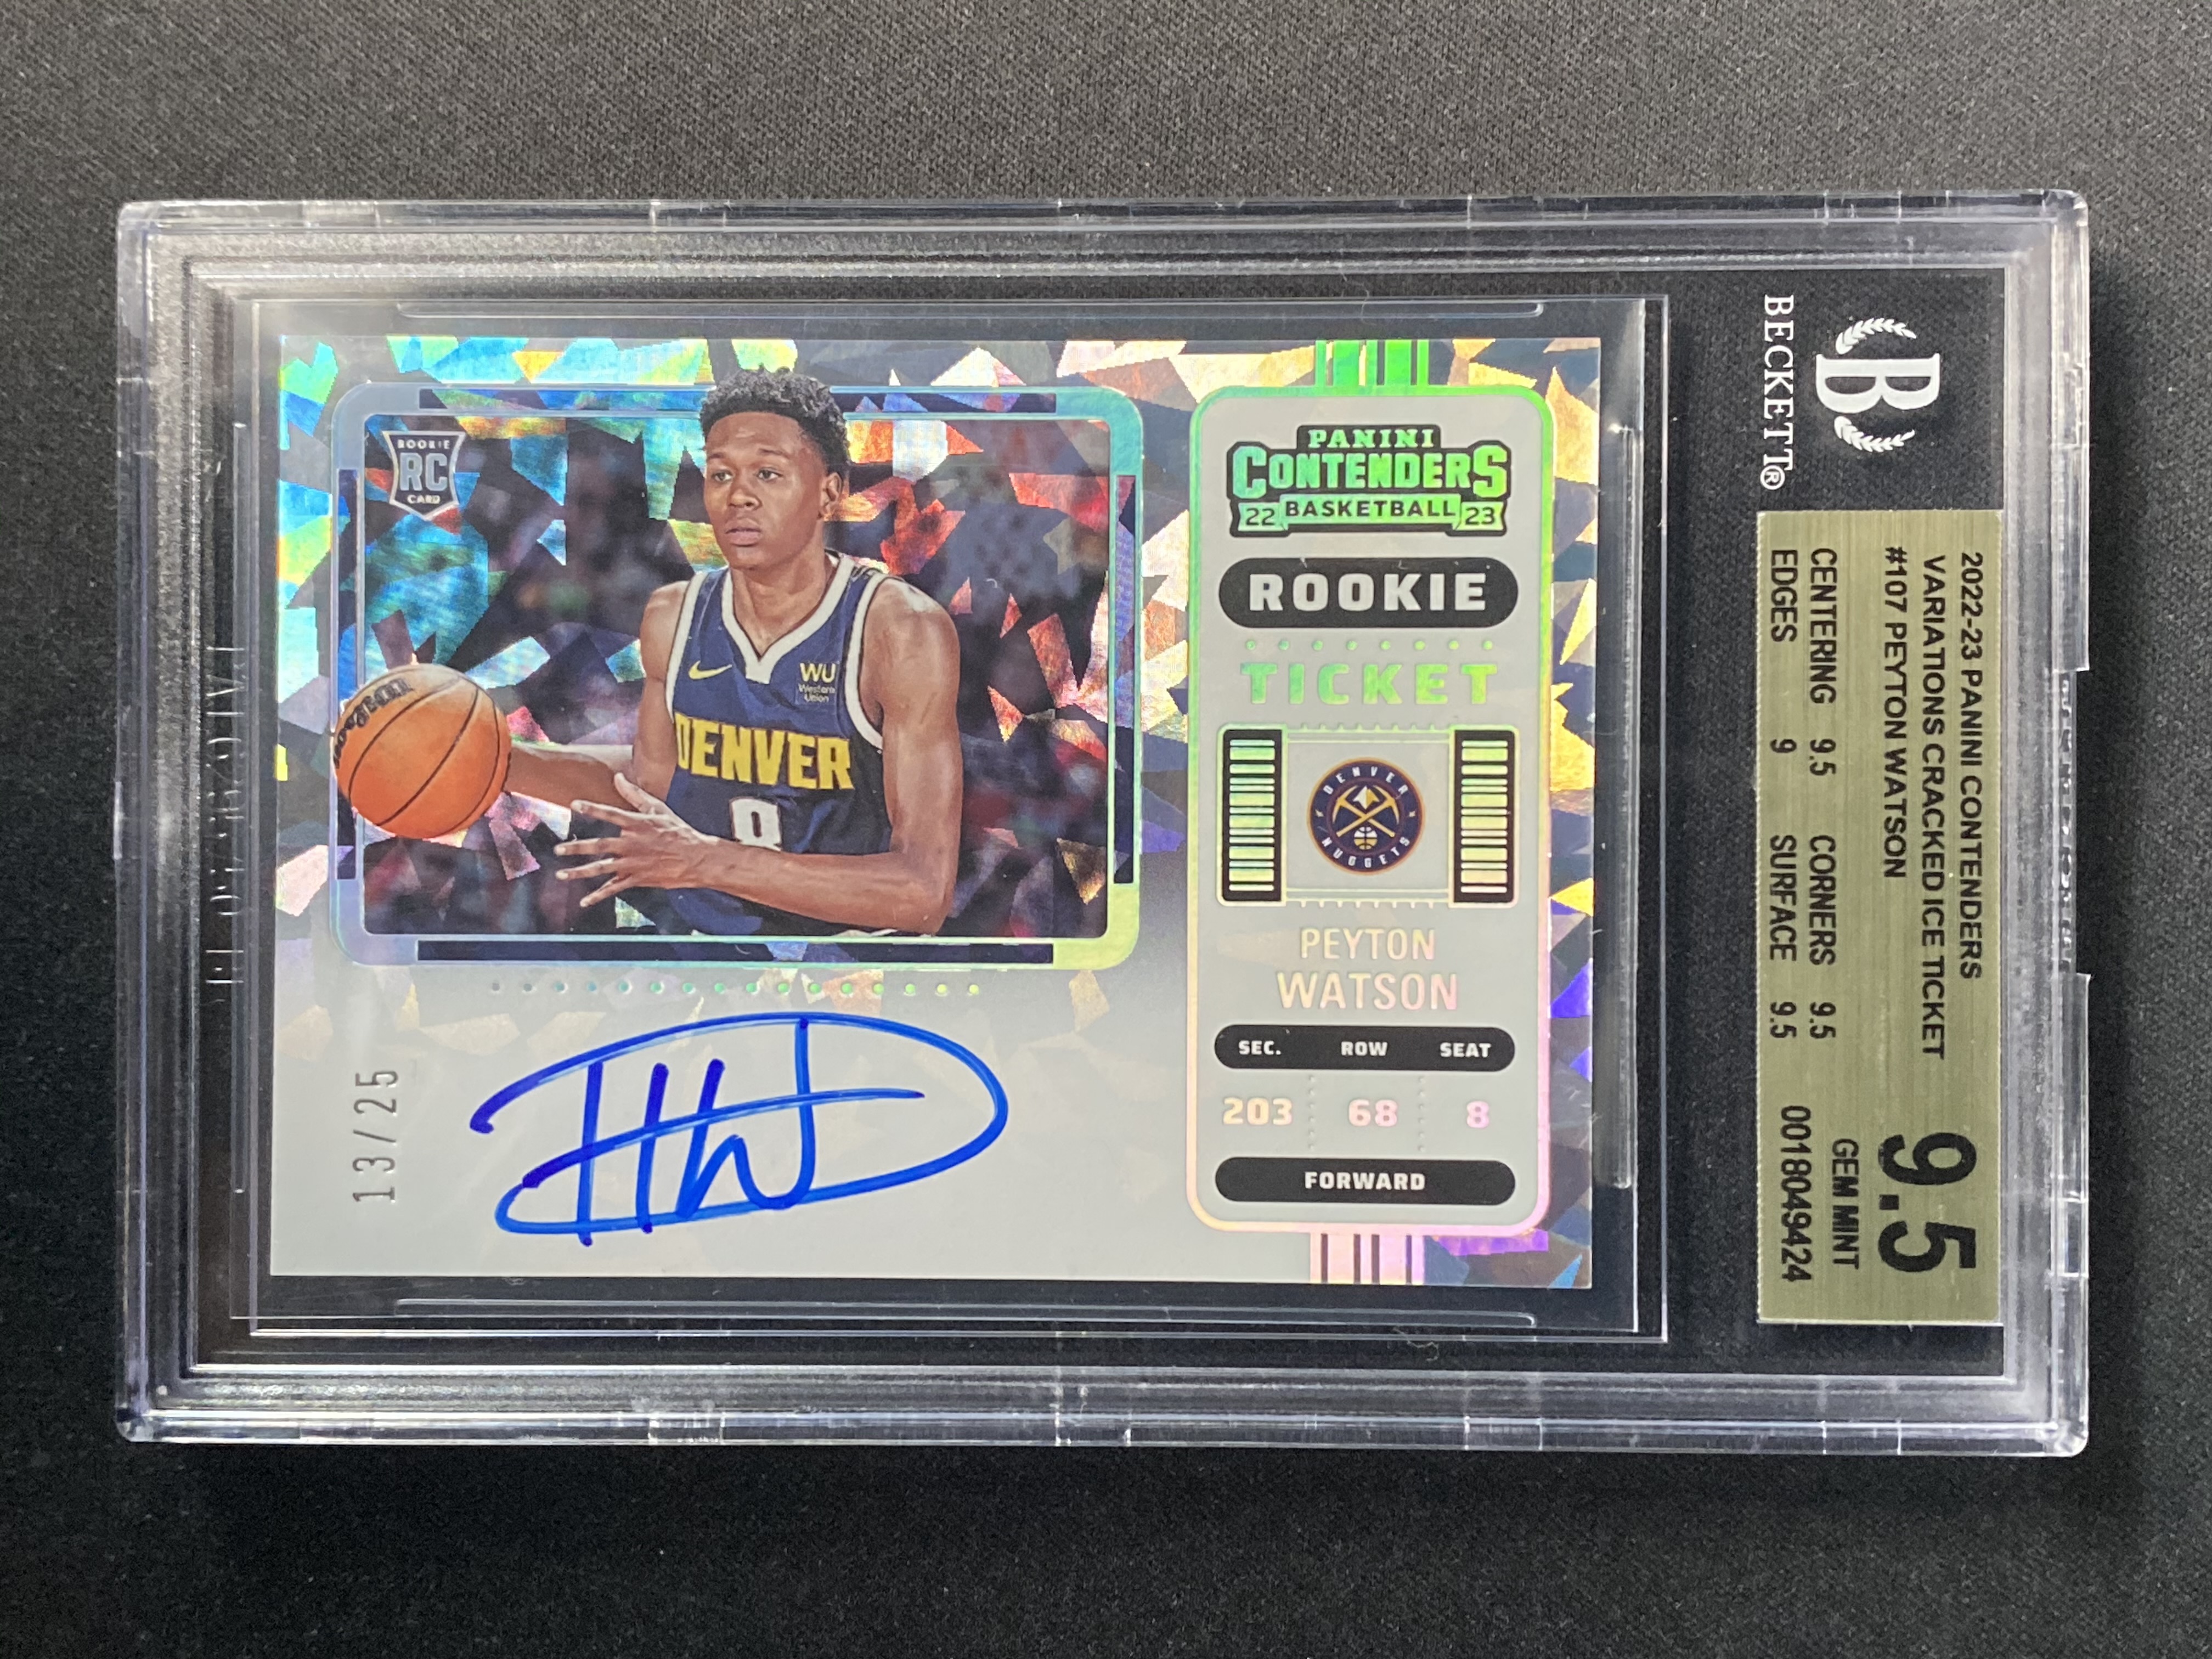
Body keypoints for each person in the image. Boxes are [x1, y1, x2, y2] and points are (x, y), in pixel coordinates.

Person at [503, 368, 963, 935]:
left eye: (768, 473)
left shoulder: (899, 629)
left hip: (849, 960)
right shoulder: (673, 615)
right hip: (710, 950)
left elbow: (922, 892)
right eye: (721, 474)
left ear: (829, 493)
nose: (739, 496)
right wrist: (499, 763)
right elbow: (650, 787)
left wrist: (706, 861)